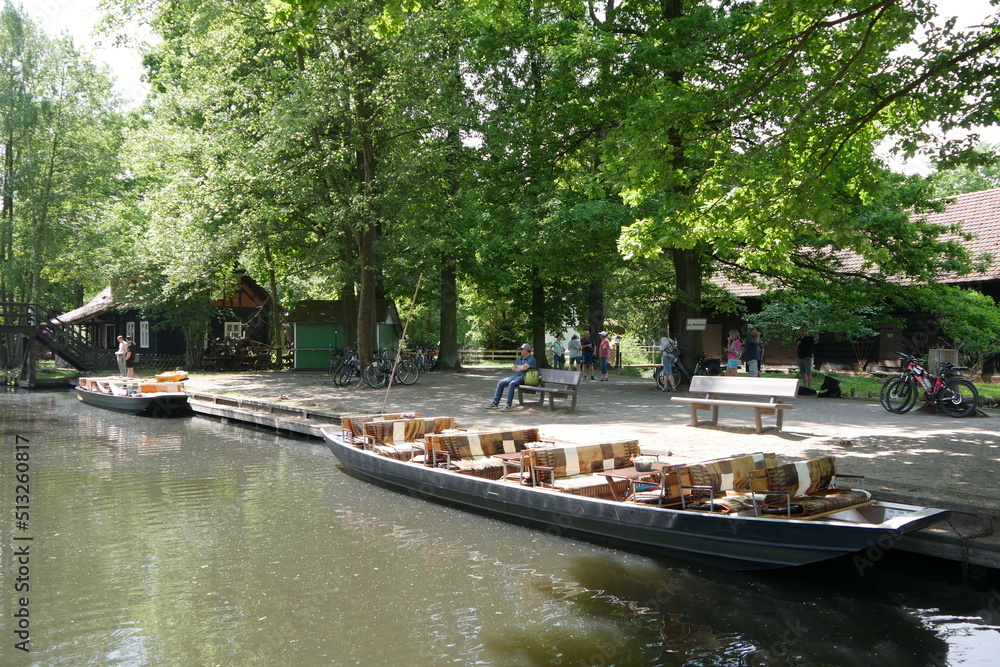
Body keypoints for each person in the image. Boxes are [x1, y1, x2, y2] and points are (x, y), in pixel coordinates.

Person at [487, 343, 537, 412]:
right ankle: (495, 404)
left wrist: (520, 367)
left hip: (525, 378)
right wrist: (521, 368)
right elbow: (513, 368)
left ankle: (508, 405)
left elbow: (524, 368)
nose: (521, 351)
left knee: (512, 384)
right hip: (516, 376)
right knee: (501, 383)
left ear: (526, 350)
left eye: (522, 350)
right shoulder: (521, 358)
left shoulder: (532, 359)